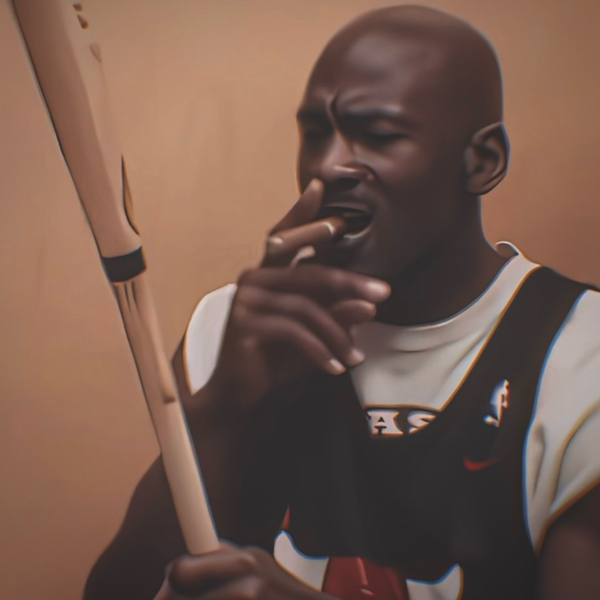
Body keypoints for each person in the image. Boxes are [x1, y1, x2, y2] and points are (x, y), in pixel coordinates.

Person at [84, 5, 600, 600]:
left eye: (378, 135)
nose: (329, 166)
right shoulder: (231, 328)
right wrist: (223, 407)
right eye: (314, 133)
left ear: (481, 161)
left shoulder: (580, 355)